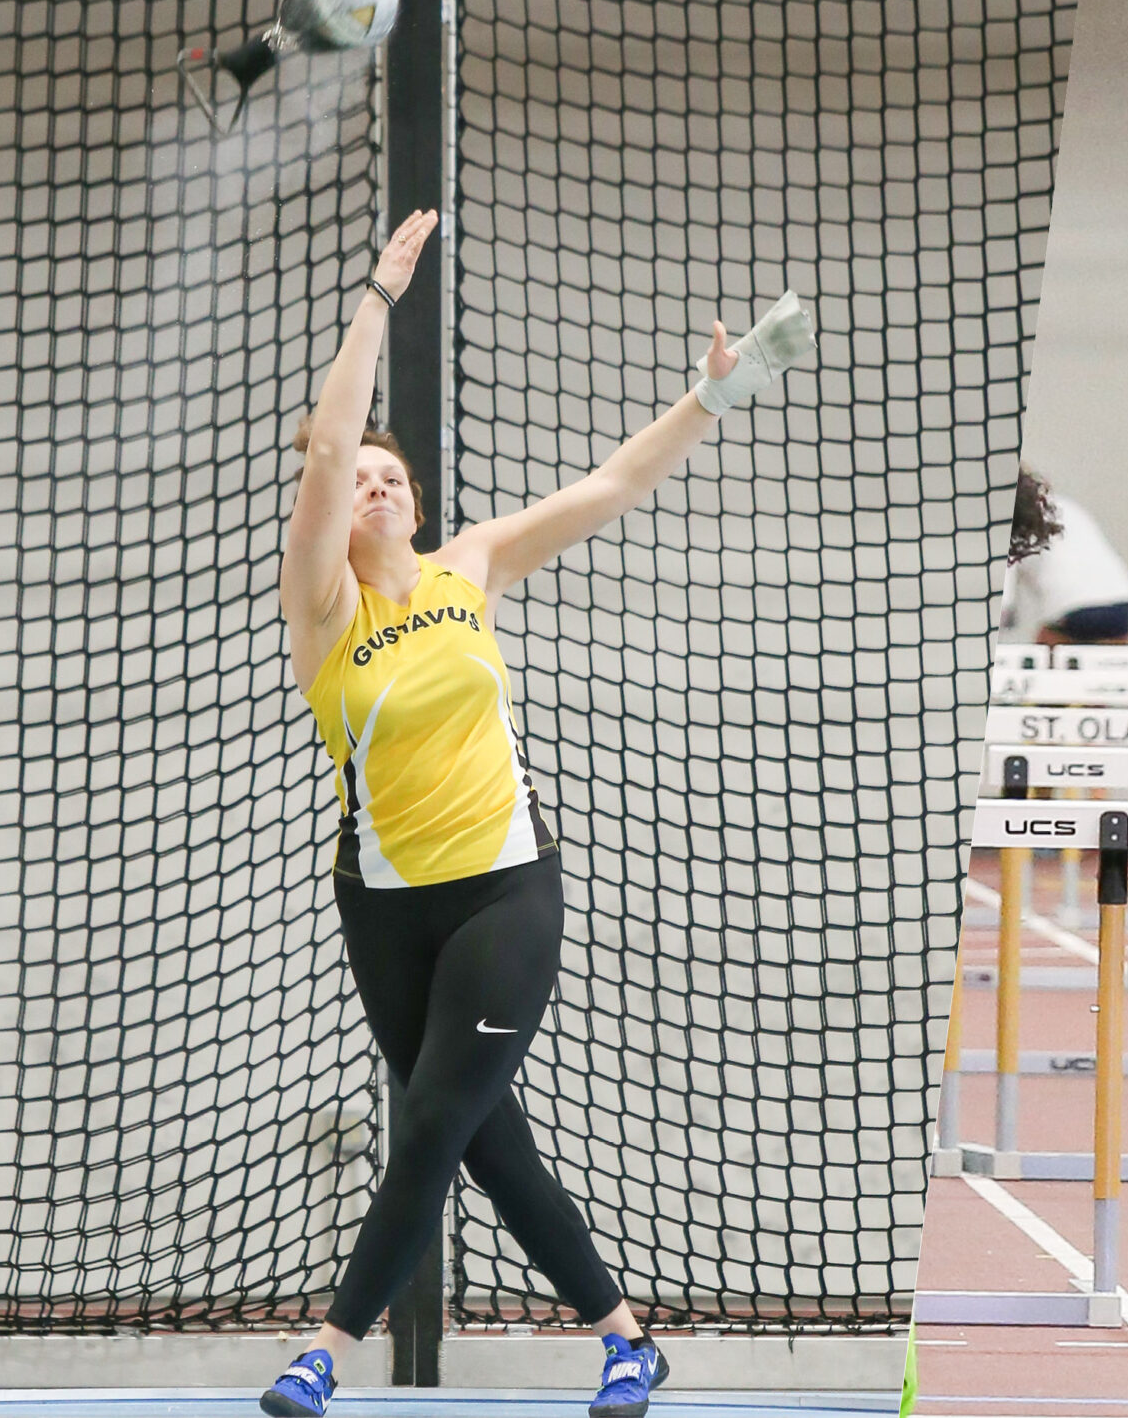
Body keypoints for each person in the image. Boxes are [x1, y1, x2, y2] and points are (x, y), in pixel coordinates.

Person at [259, 210, 813, 1418]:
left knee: (434, 1121)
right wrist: (373, 299)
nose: (373, 485)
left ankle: (323, 1354)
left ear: (413, 499)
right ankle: (625, 1341)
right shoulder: (321, 613)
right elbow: (323, 453)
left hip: (508, 890)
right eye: (356, 479)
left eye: (388, 475)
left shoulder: (474, 565)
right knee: (484, 1138)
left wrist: (712, 396)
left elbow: (614, 482)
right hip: (384, 904)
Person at [1003, 466, 1128, 644]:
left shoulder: (1016, 521)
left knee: (1040, 665)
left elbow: (1004, 603)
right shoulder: (1063, 506)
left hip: (1072, 606)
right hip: (1122, 602)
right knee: (1107, 666)